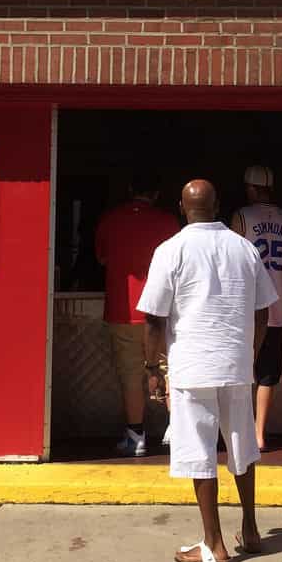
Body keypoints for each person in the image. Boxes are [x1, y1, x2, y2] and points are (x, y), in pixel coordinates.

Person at [137, 179, 278, 562]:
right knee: (242, 447)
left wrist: (152, 368)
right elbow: (264, 310)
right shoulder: (244, 248)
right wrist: (250, 351)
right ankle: (250, 530)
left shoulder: (171, 250)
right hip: (235, 365)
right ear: (218, 205)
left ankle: (213, 545)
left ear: (182, 209)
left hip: (192, 365)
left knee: (199, 451)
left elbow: (153, 317)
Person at [95, 171, 179, 456]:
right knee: (171, 370)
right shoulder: (169, 222)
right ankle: (178, 431)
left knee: (131, 375)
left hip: (122, 310)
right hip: (164, 310)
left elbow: (102, 258)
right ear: (157, 194)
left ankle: (136, 436)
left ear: (130, 188)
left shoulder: (110, 220)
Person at [230, 165, 282, 451]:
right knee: (268, 373)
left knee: (240, 370)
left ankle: (240, 431)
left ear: (250, 188)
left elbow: (231, 259)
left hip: (245, 309)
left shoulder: (242, 216)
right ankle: (260, 434)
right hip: (276, 307)